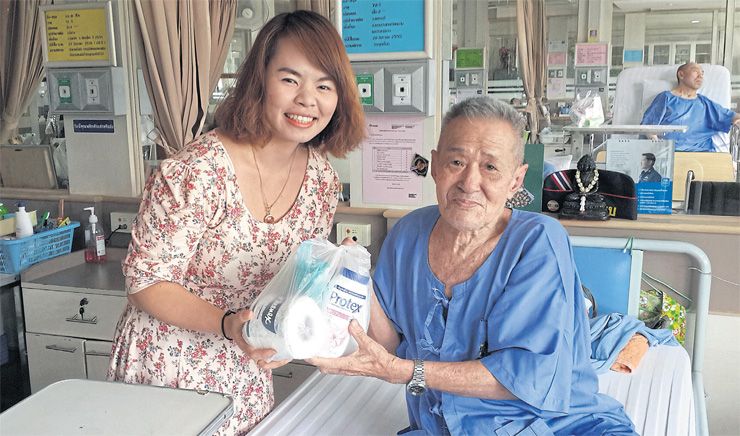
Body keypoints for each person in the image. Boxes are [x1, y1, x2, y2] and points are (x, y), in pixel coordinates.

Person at [309, 97, 636, 435]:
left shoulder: (538, 242)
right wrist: (357, 279)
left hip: (554, 426)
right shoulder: (407, 234)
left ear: (515, 180)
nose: (469, 182)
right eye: (456, 162)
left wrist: (407, 371)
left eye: (490, 167)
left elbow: (527, 377)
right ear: (435, 167)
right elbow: (391, 346)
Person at [107, 11, 365, 434]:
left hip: (246, 371)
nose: (307, 99)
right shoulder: (198, 171)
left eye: (324, 85)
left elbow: (296, 279)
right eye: (290, 79)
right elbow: (145, 283)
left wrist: (325, 284)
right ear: (259, 81)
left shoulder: (321, 182)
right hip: (166, 367)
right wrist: (228, 324)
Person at [641, 62, 740, 152]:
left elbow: (733, 117)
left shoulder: (705, 103)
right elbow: (648, 127)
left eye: (702, 73)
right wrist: (658, 148)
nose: (700, 76)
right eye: (695, 71)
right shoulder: (666, 98)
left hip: (703, 154)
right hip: (672, 154)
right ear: (681, 75)